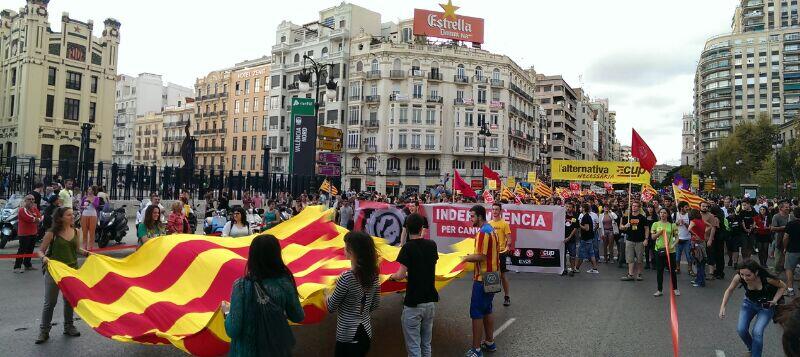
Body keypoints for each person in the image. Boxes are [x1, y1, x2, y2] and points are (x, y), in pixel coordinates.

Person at [221, 234, 305, 357]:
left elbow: (233, 329)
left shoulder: (240, 285)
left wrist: (227, 313)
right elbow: (298, 316)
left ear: (252, 257)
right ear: (277, 255)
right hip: (276, 350)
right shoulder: (285, 283)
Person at [35, 206, 92, 344]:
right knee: (50, 302)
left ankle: (69, 326)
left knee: (69, 301)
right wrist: (44, 258)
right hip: (54, 271)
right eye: (68, 215)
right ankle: (44, 331)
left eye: (72, 214)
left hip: (71, 271)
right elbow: (40, 251)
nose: (72, 217)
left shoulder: (77, 231)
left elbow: (77, 249)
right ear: (60, 218)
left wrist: (86, 253)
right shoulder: (52, 233)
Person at [390, 213, 439, 357]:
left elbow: (400, 275)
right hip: (429, 302)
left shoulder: (407, 248)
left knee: (414, 347)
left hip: (413, 303)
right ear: (421, 228)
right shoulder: (432, 245)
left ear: (406, 228)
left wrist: (390, 277)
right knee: (426, 344)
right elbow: (426, 268)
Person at [327, 231, 381, 357]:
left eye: (346, 247)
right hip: (366, 333)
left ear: (353, 252)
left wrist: (327, 293)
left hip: (347, 336)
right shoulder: (374, 275)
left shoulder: (346, 278)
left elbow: (331, 307)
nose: (343, 249)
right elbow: (375, 304)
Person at [719, 260, 787, 357]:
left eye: (748, 275)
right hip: (748, 304)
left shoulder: (767, 279)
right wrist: (723, 306)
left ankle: (755, 354)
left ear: (756, 272)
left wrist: (775, 300)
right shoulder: (739, 277)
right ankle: (752, 349)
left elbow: (783, 286)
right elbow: (729, 290)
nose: (744, 278)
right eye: (742, 274)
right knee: (741, 329)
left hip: (765, 307)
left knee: (757, 332)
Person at [462, 205, 500, 357]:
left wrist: (463, 258)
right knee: (487, 309)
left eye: (472, 216)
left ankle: (476, 349)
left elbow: (481, 256)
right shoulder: (491, 229)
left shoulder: (483, 232)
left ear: (479, 216)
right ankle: (489, 342)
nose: (470, 219)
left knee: (476, 312)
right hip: (493, 275)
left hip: (482, 277)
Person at [651, 207, 679, 297]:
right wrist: (659, 233)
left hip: (670, 251)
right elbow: (653, 237)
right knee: (659, 270)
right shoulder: (655, 224)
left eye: (664, 213)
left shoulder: (672, 225)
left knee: (672, 271)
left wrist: (673, 245)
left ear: (667, 214)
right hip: (659, 250)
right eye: (661, 213)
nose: (662, 214)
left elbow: (677, 237)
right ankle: (659, 290)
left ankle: (675, 288)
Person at [489, 203, 513, 306]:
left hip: (501, 253)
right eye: (493, 209)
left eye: (496, 209)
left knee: (503, 275)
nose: (494, 211)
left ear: (500, 211)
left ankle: (507, 297)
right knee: (491, 275)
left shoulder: (504, 224)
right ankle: (489, 298)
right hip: (491, 253)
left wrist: (507, 247)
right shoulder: (488, 224)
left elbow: (509, 239)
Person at [621, 201, 649, 281]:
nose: (634, 207)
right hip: (630, 240)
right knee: (630, 259)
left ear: (639, 208)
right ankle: (630, 274)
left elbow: (646, 228)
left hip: (640, 241)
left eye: (636, 206)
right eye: (633, 206)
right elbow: (621, 227)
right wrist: (625, 226)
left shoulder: (642, 217)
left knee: (639, 259)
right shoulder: (628, 217)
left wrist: (646, 239)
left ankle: (639, 274)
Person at [13, 195, 42, 273]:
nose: (32, 201)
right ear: (25, 200)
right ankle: (17, 267)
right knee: (22, 250)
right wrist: (37, 219)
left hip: (33, 232)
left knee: (30, 250)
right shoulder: (22, 210)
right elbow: (29, 218)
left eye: (33, 199)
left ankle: (27, 265)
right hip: (24, 234)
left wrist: (37, 219)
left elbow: (40, 217)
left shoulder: (34, 209)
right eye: (29, 199)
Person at [576, 204, 600, 274]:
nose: (580, 208)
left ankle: (576, 268)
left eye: (581, 207)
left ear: (583, 209)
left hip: (586, 238)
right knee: (591, 253)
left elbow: (587, 228)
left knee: (581, 253)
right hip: (589, 237)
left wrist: (580, 225)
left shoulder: (585, 217)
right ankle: (595, 268)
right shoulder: (587, 216)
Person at [772, 201, 793, 275]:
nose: (788, 208)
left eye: (788, 207)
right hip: (779, 239)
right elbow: (773, 228)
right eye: (786, 207)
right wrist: (784, 227)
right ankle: (776, 272)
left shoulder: (791, 216)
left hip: (790, 239)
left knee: (789, 257)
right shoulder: (776, 216)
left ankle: (788, 271)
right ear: (781, 208)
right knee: (778, 258)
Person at [783, 207, 800, 297]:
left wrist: (785, 247)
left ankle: (790, 290)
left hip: (792, 250)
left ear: (794, 214)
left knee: (789, 269)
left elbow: (785, 237)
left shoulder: (791, 224)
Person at [688, 209, 708, 287]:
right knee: (701, 262)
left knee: (699, 263)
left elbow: (689, 229)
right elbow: (709, 226)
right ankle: (698, 279)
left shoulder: (694, 221)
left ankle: (700, 282)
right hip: (702, 242)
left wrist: (695, 235)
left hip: (696, 243)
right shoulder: (702, 221)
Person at [674, 202, 694, 276]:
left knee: (689, 256)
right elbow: (672, 226)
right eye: (686, 207)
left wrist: (685, 224)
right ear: (681, 208)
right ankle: (678, 268)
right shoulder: (675, 215)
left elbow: (691, 227)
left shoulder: (689, 215)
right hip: (677, 239)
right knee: (677, 256)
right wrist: (676, 223)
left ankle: (690, 269)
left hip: (687, 239)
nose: (688, 208)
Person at [79, 186, 100, 251]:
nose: (88, 190)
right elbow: (81, 206)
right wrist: (83, 207)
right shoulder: (84, 197)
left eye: (90, 189)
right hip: (85, 215)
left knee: (92, 232)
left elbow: (96, 206)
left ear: (93, 191)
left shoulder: (96, 198)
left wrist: (91, 201)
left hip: (93, 215)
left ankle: (91, 247)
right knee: (84, 231)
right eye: (88, 189)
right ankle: (84, 246)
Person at [563, 202, 580, 276]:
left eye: (570, 207)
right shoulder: (562, 214)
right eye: (567, 207)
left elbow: (575, 228)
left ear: (572, 208)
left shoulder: (575, 216)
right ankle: (564, 269)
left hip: (571, 239)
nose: (568, 208)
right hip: (563, 238)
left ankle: (573, 269)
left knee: (572, 255)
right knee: (563, 255)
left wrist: (569, 237)